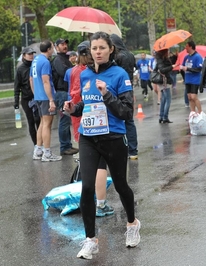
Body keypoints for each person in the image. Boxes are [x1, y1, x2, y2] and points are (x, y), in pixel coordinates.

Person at [63, 31, 140, 260]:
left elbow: (126, 112)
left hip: (114, 137)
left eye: (101, 48)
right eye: (94, 48)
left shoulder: (120, 75)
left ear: (110, 50)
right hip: (88, 137)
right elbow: (85, 105)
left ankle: (132, 223)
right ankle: (90, 240)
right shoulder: (85, 75)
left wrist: (106, 94)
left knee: (120, 185)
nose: (97, 52)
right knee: (87, 187)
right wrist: (72, 109)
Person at [69, 41, 114, 217]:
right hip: (93, 119)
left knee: (89, 163)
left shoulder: (72, 71)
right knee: (100, 163)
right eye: (94, 49)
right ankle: (100, 204)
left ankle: (91, 202)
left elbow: (73, 94)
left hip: (79, 119)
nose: (97, 53)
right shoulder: (90, 73)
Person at [30, 40, 62, 162]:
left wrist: (36, 94)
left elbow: (31, 80)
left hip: (38, 96)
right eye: (53, 47)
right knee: (47, 125)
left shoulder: (35, 60)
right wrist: (51, 100)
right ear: (49, 49)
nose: (54, 49)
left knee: (42, 123)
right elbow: (46, 81)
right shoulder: (45, 62)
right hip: (45, 96)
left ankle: (38, 150)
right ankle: (47, 153)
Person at [110, 33, 139, 159]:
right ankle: (133, 150)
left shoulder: (117, 57)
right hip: (129, 88)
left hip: (118, 89)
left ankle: (120, 149)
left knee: (117, 119)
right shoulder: (130, 55)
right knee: (129, 121)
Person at [52, 38, 79, 156]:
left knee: (67, 120)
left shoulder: (65, 58)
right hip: (61, 92)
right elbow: (64, 73)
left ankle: (67, 145)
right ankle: (64, 146)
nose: (65, 46)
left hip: (66, 91)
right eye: (62, 44)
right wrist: (75, 68)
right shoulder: (58, 59)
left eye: (66, 44)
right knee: (64, 119)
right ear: (56, 46)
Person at [14, 47, 40, 146]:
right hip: (26, 99)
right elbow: (17, 86)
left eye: (32, 54)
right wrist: (16, 102)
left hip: (37, 97)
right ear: (24, 56)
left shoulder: (35, 66)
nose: (31, 56)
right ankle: (36, 145)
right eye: (29, 54)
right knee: (31, 121)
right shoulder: (20, 69)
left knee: (39, 120)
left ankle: (41, 143)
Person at [181, 41, 203, 113]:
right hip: (188, 80)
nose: (185, 48)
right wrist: (181, 69)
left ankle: (200, 112)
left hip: (195, 80)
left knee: (194, 97)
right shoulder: (186, 57)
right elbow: (183, 66)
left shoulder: (197, 56)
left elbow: (199, 69)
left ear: (190, 47)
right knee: (189, 97)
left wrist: (188, 69)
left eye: (186, 46)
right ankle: (192, 112)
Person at [154, 49, 174, 123]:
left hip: (162, 81)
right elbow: (162, 70)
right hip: (165, 81)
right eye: (167, 51)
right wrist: (171, 67)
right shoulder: (161, 60)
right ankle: (165, 117)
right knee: (168, 99)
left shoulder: (159, 59)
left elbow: (156, 69)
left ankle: (161, 116)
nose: (168, 52)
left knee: (163, 99)